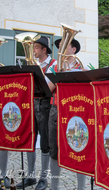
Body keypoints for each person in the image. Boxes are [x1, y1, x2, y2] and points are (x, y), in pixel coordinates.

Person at [15, 36, 57, 190]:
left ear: (44, 49)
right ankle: (31, 176)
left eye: (36, 48)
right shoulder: (33, 63)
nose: (34, 50)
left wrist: (36, 72)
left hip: (45, 104)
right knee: (30, 139)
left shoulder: (54, 64)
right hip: (31, 104)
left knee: (45, 143)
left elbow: (48, 87)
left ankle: (43, 179)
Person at [47, 38, 86, 190]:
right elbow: (47, 89)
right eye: (58, 46)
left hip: (76, 112)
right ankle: (54, 187)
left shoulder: (81, 66)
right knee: (54, 151)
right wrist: (58, 74)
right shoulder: (54, 66)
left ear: (74, 50)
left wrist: (85, 76)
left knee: (79, 149)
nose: (60, 48)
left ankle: (81, 187)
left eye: (64, 45)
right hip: (56, 109)